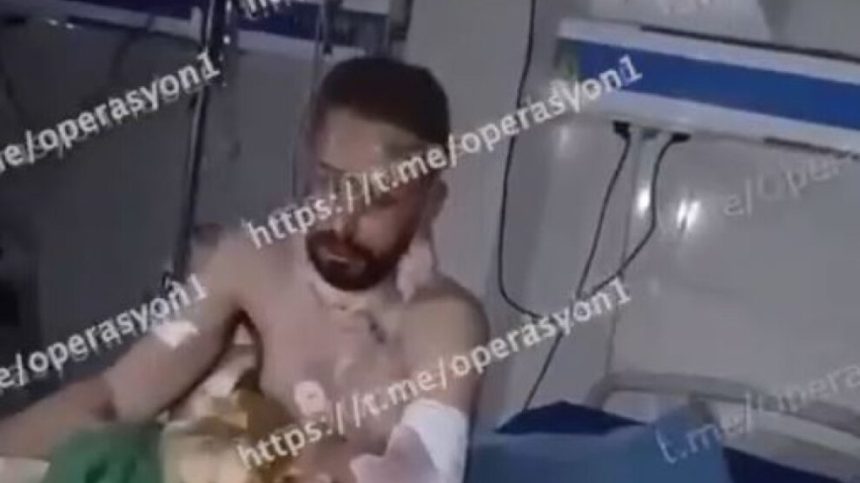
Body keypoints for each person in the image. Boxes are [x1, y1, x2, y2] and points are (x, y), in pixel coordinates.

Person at [0, 57, 489, 483]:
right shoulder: (250, 267)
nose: (342, 222)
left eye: (379, 201)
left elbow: (426, 476)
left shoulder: (441, 322)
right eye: (329, 184)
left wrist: (317, 456)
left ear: (430, 204)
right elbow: (114, 397)